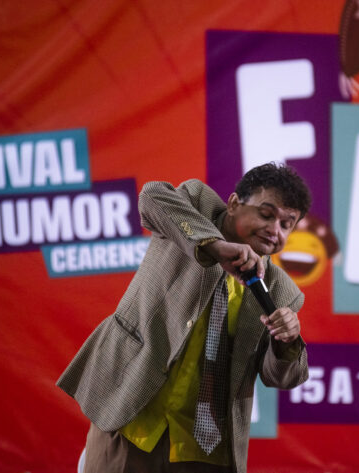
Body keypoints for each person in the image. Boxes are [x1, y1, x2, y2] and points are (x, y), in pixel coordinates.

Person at [57, 162, 312, 473]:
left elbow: (280, 377)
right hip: (132, 413)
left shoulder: (281, 290)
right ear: (234, 204)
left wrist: (286, 341)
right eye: (266, 214)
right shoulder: (196, 204)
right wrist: (215, 247)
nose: (275, 230)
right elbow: (151, 196)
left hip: (203, 448)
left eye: (287, 224)